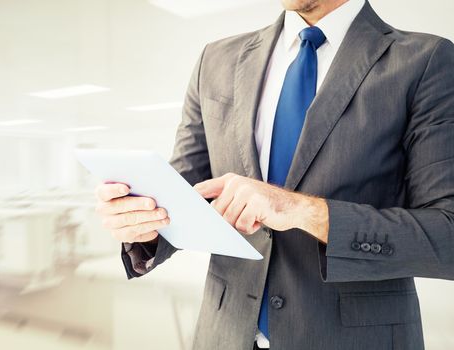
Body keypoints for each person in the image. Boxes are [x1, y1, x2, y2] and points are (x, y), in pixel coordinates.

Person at [93, 0, 454, 349]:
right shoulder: (216, 60)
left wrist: (300, 210)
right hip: (225, 335)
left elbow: (446, 235)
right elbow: (188, 192)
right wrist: (146, 224)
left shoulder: (425, 61)